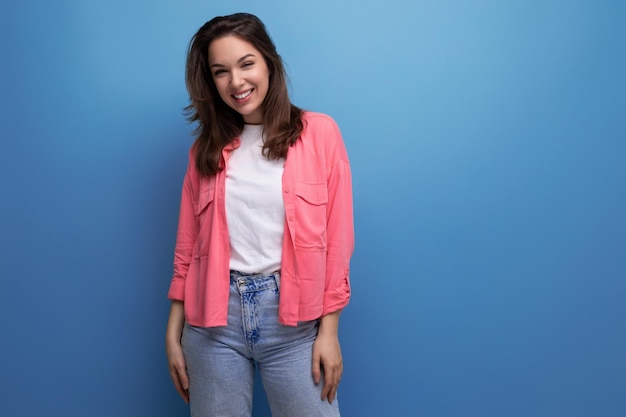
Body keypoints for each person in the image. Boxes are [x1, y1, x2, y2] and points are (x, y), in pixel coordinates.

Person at [165, 12, 354, 417]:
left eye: (246, 63)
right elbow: (187, 247)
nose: (236, 82)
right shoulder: (205, 151)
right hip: (214, 324)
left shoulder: (319, 133)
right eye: (221, 71)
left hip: (295, 323)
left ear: (269, 62)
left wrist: (330, 331)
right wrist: (173, 331)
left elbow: (338, 241)